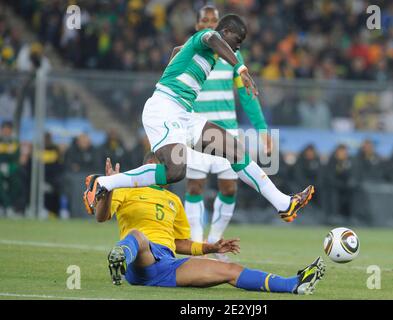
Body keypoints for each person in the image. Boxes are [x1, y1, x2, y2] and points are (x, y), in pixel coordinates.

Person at [84, 14, 314, 224]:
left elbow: (177, 50)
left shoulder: (205, 52)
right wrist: (241, 69)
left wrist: (176, 63)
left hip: (184, 114)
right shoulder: (208, 36)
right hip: (164, 108)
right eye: (237, 39)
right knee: (175, 171)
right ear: (225, 33)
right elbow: (211, 37)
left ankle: (284, 203)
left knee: (234, 149)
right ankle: (103, 183)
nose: (238, 46)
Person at [93, 155, 325, 295]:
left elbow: (179, 243)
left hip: (166, 264)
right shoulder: (125, 188)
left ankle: (293, 284)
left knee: (230, 271)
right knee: (137, 235)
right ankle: (120, 256)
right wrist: (109, 191)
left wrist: (211, 248)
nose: (170, 171)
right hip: (139, 259)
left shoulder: (174, 201)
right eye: (163, 166)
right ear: (149, 166)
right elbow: (101, 217)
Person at [182, 6, 271, 260]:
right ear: (197, 24)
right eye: (205, 20)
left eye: (214, 20)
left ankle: (214, 240)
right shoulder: (190, 51)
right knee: (195, 186)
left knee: (230, 188)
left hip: (226, 133)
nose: (209, 23)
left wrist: (262, 130)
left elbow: (246, 93)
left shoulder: (232, 54)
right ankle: (197, 245)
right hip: (197, 131)